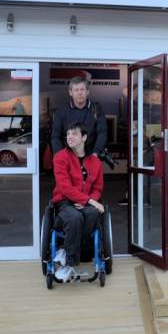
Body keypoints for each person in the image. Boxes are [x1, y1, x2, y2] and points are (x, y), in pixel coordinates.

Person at [51, 123, 105, 282]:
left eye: (74, 134)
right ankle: (69, 262)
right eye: (67, 134)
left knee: (92, 213)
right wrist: (88, 200)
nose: (69, 137)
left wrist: (90, 201)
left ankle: (65, 251)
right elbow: (64, 187)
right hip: (64, 201)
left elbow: (98, 188)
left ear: (84, 137)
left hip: (86, 203)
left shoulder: (95, 162)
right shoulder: (60, 157)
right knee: (75, 217)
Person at [51, 77, 107, 158]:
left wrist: (96, 152)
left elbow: (102, 133)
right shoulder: (61, 111)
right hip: (68, 157)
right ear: (70, 92)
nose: (79, 93)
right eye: (76, 90)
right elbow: (55, 136)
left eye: (82, 89)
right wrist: (60, 156)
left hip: (91, 156)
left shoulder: (96, 109)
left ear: (88, 91)